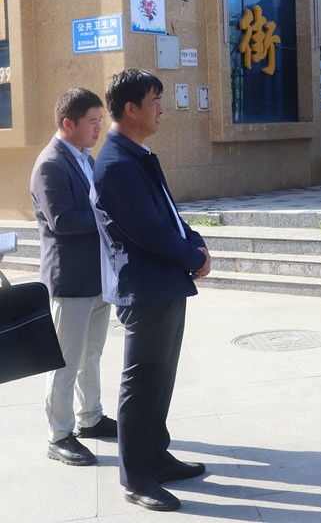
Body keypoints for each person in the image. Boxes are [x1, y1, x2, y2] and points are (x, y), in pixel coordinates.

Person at [91, 69, 212, 512]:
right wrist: (192, 256)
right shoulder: (116, 165)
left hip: (163, 283)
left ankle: (156, 456)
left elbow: (168, 215)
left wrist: (195, 241)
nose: (161, 108)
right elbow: (148, 232)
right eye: (154, 99)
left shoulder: (136, 155)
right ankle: (136, 476)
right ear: (131, 109)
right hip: (144, 288)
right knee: (141, 384)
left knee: (160, 380)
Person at [30, 88, 116, 467]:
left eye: (100, 121)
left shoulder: (85, 158)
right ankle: (59, 434)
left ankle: (90, 417)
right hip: (69, 281)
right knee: (65, 361)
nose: (99, 129)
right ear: (69, 123)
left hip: (96, 276)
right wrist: (109, 217)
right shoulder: (50, 164)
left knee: (91, 354)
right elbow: (62, 220)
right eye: (92, 122)